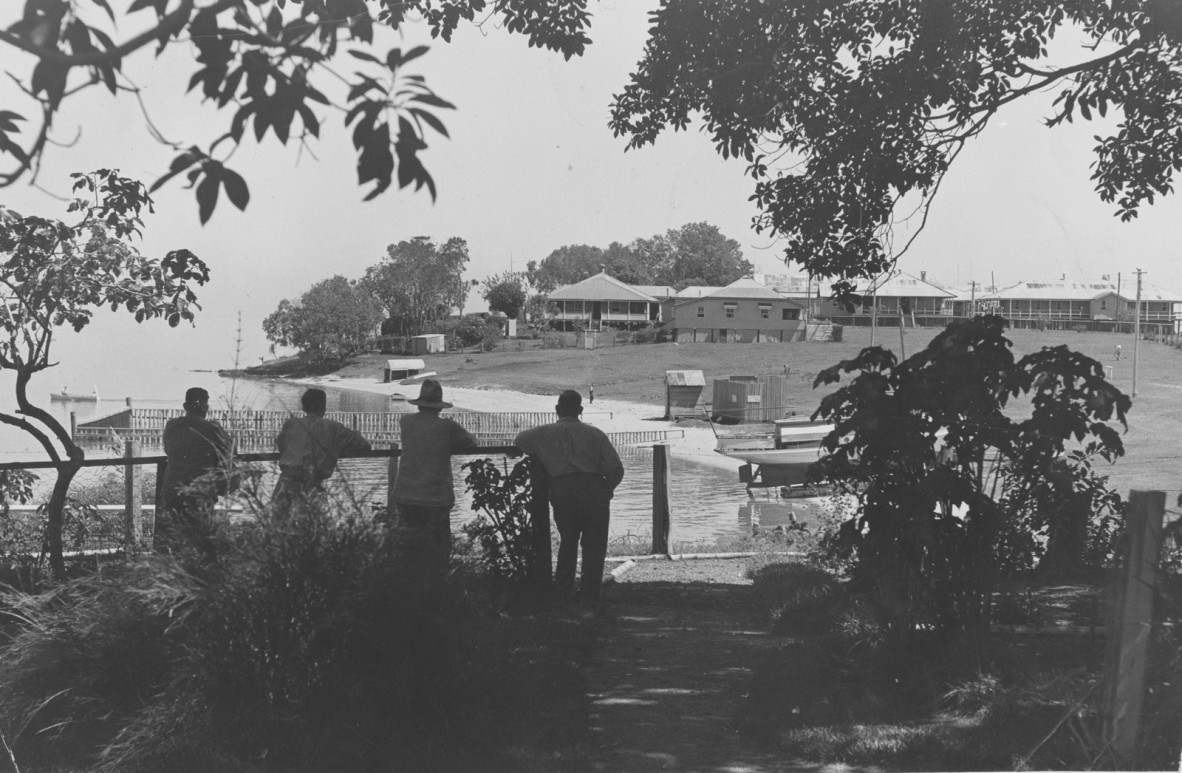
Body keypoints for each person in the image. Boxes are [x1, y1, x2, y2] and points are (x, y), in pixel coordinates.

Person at [514, 389, 624, 602]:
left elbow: (519, 440)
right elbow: (615, 468)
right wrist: (607, 488)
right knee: (594, 545)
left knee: (568, 541)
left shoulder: (543, 433)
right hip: (593, 489)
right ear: (580, 410)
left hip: (563, 489)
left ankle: (563, 591)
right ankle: (590, 594)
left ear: (557, 410)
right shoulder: (595, 434)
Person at [391, 380, 479, 568]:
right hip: (435, 498)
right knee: (439, 551)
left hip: (406, 495)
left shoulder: (405, 422)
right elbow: (472, 441)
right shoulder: (446, 427)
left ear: (420, 403)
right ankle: (437, 589)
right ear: (439, 407)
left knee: (409, 552)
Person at [158, 387, 233, 556]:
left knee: (172, 538)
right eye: (206, 405)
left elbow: (167, 450)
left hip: (172, 489)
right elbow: (228, 454)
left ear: (185, 406)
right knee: (200, 540)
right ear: (205, 406)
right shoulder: (212, 429)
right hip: (199, 491)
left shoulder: (172, 426)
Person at [273, 388, 371, 510]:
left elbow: (281, 445)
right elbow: (365, 445)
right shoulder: (333, 427)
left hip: (285, 483)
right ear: (323, 407)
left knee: (278, 524)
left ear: (303, 407)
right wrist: (336, 447)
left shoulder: (291, 424)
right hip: (311, 485)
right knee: (311, 526)